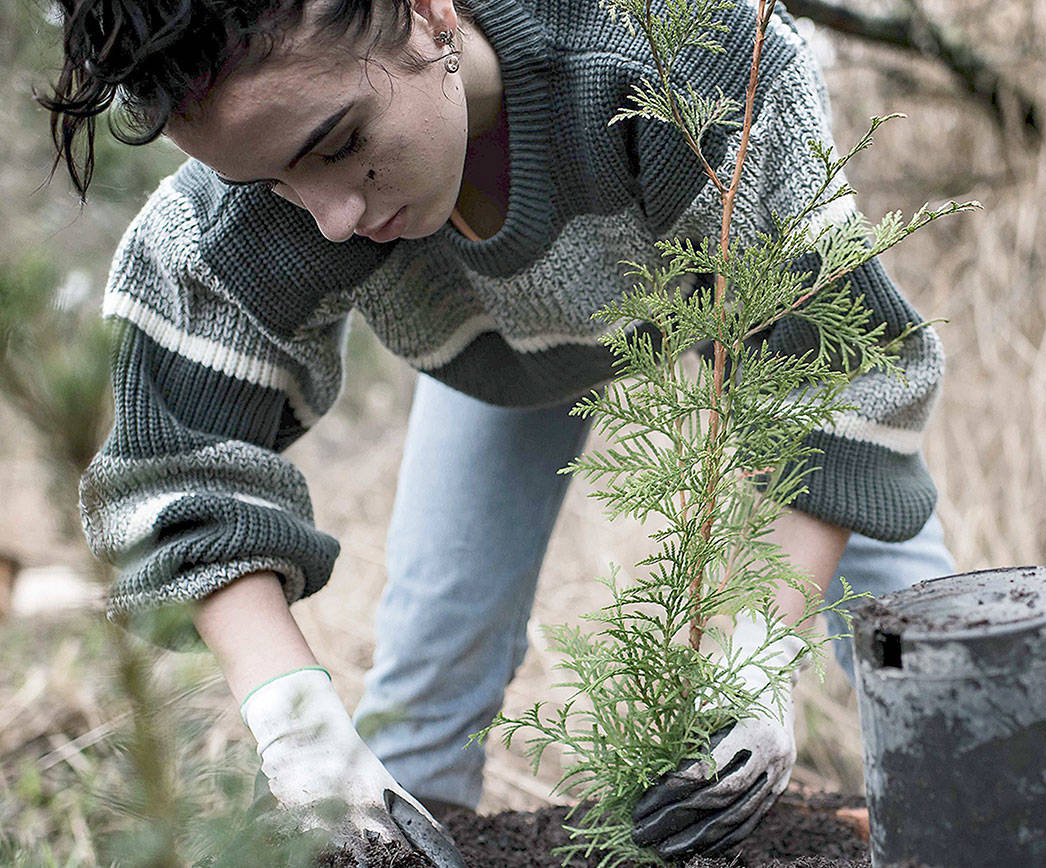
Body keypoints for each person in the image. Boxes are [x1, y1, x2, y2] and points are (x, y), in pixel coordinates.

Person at [45, 0, 956, 861]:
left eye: (340, 144)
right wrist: (297, 730)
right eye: (270, 181)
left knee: (935, 665)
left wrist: (756, 654)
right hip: (498, 359)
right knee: (429, 680)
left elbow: (842, 371)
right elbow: (172, 470)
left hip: (732, 316)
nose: (331, 217)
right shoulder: (251, 202)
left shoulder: (687, 51)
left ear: (428, 11)